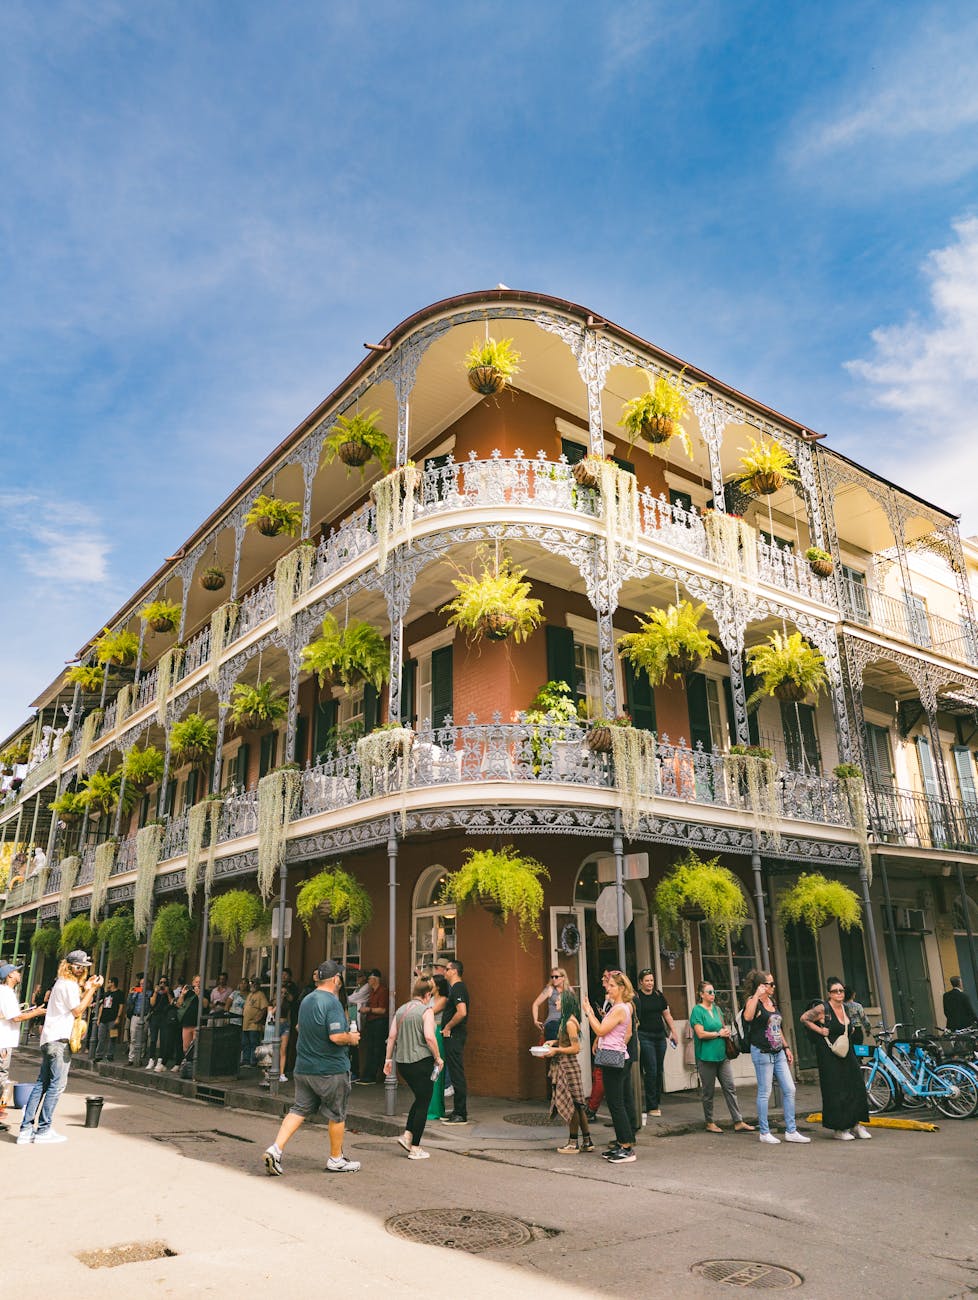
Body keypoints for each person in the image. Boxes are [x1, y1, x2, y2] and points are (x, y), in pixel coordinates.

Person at [263, 959, 361, 1176]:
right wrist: (351, 1038)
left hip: (303, 1067)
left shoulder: (307, 999)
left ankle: (276, 1149)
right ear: (336, 979)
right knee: (337, 1113)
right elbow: (336, 1036)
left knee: (299, 1109)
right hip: (330, 1068)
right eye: (340, 977)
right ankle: (336, 1158)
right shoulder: (332, 1002)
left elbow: (299, 1026)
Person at [18, 951, 102, 1144]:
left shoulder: (62, 983)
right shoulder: (69, 985)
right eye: (79, 966)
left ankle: (26, 1129)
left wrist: (86, 988)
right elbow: (78, 1010)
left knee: (42, 1084)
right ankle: (43, 1129)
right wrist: (93, 990)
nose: (82, 970)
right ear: (70, 966)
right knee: (57, 1086)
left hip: (49, 1038)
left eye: (84, 967)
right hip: (59, 1041)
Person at [742, 969, 810, 1146]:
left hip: (778, 1051)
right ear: (761, 985)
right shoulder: (753, 1001)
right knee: (765, 1092)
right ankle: (764, 1132)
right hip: (762, 1052)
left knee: (790, 1089)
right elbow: (748, 1017)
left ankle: (791, 1130)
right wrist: (756, 994)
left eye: (773, 983)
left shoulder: (772, 1001)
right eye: (770, 984)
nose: (773, 986)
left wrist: (786, 1047)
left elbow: (776, 1026)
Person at [800, 977, 872, 1141]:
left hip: (846, 1051)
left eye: (841, 990)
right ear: (829, 994)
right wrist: (820, 1030)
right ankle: (840, 1128)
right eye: (835, 991)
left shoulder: (846, 1008)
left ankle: (856, 1124)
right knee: (836, 1089)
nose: (839, 993)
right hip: (829, 1053)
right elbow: (804, 1018)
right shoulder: (822, 1008)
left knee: (856, 1085)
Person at [383, 974, 443, 1159]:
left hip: (403, 1063)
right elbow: (429, 1037)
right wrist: (438, 1057)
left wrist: (388, 1060)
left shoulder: (401, 1010)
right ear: (427, 995)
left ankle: (408, 1135)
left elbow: (392, 1036)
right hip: (421, 1062)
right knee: (424, 1102)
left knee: (419, 1099)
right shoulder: (426, 1011)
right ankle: (415, 1147)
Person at [582, 970, 636, 1164]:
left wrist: (588, 1012)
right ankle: (623, 1144)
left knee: (616, 1103)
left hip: (614, 1058)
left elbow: (600, 1029)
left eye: (613, 986)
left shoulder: (621, 1008)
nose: (609, 988)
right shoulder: (619, 1007)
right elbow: (623, 1032)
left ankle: (626, 1147)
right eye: (609, 985)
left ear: (621, 988)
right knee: (616, 1103)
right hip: (616, 1056)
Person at [689, 980, 754, 1134]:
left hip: (722, 1054)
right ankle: (709, 1122)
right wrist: (718, 1034)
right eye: (709, 992)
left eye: (714, 992)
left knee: (730, 1087)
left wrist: (725, 1032)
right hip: (706, 1056)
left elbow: (722, 1026)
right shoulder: (697, 1011)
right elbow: (700, 1033)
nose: (713, 995)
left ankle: (738, 1120)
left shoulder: (717, 1009)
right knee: (708, 1091)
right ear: (701, 994)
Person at [542, 989, 593, 1153]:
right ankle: (587, 1141)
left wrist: (556, 1050)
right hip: (568, 1065)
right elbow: (567, 1041)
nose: (555, 1002)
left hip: (567, 1066)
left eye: (558, 1001)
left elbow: (575, 1048)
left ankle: (573, 1143)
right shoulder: (567, 1021)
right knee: (578, 1106)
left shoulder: (570, 1023)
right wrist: (554, 1041)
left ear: (565, 1003)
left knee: (571, 1105)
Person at [634, 967, 678, 1119]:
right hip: (644, 1036)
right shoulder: (637, 997)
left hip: (660, 1036)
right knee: (651, 1069)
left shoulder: (659, 995)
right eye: (647, 980)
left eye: (651, 980)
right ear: (641, 982)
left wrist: (674, 1031)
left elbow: (667, 1014)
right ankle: (652, 1105)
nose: (650, 983)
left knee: (659, 1070)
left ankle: (656, 1101)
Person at [1, 964, 45, 1113]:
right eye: (17, 972)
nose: (19, 974)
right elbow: (16, 1017)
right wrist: (36, 1012)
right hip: (3, 1041)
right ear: (10, 975)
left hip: (4, 1040)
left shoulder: (5, 992)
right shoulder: (6, 993)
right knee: (1, 1075)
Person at [439, 960, 470, 1124]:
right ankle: (457, 1111)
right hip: (452, 1036)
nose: (444, 971)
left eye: (447, 969)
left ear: (454, 971)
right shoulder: (455, 989)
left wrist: (448, 1026)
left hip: (454, 1036)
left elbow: (462, 1012)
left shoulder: (458, 988)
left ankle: (460, 1113)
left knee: (456, 1073)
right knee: (454, 1070)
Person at [357, 969, 389, 1085]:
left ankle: (372, 1076)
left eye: (369, 979)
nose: (368, 981)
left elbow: (383, 1010)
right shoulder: (371, 992)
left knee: (377, 1050)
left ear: (375, 979)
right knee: (370, 1049)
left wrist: (368, 1009)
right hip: (371, 1023)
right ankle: (367, 1075)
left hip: (379, 1023)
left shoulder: (382, 991)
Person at [145, 975, 174, 1073]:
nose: (162, 985)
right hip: (155, 1016)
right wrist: (156, 992)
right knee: (153, 1038)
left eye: (164, 983)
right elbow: (152, 1003)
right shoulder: (155, 992)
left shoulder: (169, 992)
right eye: (161, 982)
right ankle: (151, 1059)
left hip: (165, 1017)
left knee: (163, 1039)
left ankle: (160, 1059)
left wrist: (168, 992)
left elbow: (172, 1003)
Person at [93, 975, 124, 1063]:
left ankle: (110, 1054)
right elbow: (102, 1006)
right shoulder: (106, 994)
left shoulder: (119, 994)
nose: (108, 984)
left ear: (113, 983)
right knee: (101, 1037)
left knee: (112, 1037)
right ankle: (99, 1055)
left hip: (113, 1018)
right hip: (104, 1018)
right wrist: (99, 1018)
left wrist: (118, 1017)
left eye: (109, 982)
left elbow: (121, 1006)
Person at [531, 968, 568, 1042]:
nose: (554, 979)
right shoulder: (549, 989)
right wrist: (535, 1020)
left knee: (567, 1049)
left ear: (563, 978)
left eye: (556, 977)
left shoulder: (569, 991)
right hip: (553, 1022)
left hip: (566, 1023)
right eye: (552, 977)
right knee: (553, 1049)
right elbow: (535, 1004)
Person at [176, 974, 204, 1069]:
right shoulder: (188, 993)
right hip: (187, 1023)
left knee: (195, 1047)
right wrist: (182, 994)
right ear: (192, 983)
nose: (198, 984)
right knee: (186, 1047)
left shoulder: (205, 992)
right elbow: (179, 1005)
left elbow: (205, 1004)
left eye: (200, 982)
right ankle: (188, 1065)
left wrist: (199, 995)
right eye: (196, 982)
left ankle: (196, 1067)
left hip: (198, 1024)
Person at [278, 967, 300, 1082]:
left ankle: (287, 1067)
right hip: (278, 1019)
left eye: (286, 974)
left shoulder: (293, 987)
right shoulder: (279, 987)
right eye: (282, 974)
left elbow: (293, 1000)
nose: (283, 976)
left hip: (290, 1017)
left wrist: (286, 994)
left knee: (288, 1045)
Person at [242, 978, 269, 1066]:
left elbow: (264, 1008)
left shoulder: (260, 994)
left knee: (254, 1043)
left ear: (257, 985)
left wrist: (258, 1019)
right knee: (245, 1043)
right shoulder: (250, 994)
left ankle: (253, 1061)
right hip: (245, 1024)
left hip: (254, 1024)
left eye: (254, 984)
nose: (252, 986)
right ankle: (246, 1060)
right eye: (251, 984)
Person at [126, 972, 150, 1065]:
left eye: (144, 984)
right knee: (133, 1037)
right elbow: (129, 1002)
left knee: (143, 1037)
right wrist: (131, 994)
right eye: (141, 984)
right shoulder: (136, 991)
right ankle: (131, 1058)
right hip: (135, 1015)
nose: (142, 986)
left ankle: (140, 1057)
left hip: (145, 1015)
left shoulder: (149, 993)